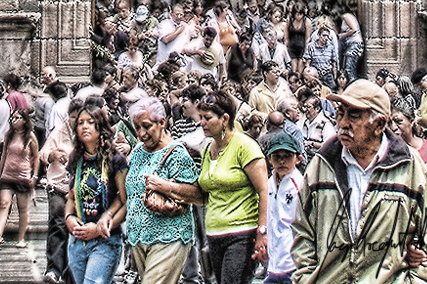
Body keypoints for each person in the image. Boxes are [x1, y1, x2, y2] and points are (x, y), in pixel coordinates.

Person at [292, 79, 427, 283]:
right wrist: (306, 277)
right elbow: (302, 229)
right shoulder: (323, 163)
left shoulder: (408, 166)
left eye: (354, 116)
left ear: (380, 124)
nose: (343, 123)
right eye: (340, 113)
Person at [145, 89, 269, 284]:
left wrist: (262, 232)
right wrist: (169, 188)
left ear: (225, 119)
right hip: (214, 234)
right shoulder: (208, 149)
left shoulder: (245, 146)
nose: (201, 123)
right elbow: (203, 195)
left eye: (207, 118)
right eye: (200, 117)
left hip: (242, 232)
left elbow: (263, 190)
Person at [125, 97, 198, 284]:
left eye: (147, 126)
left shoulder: (177, 153)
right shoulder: (138, 151)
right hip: (139, 238)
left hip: (169, 236)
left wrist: (166, 187)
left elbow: (198, 194)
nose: (141, 133)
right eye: (137, 127)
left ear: (162, 122)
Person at [64, 103, 127, 284]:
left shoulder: (115, 159)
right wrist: (68, 217)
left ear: (100, 126)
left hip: (105, 241)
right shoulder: (75, 158)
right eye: (80, 122)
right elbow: (70, 196)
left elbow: (124, 200)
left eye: (90, 122)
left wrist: (100, 229)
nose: (84, 126)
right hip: (78, 239)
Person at [40, 97, 83, 284]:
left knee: (77, 228)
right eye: (73, 118)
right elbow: (43, 153)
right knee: (58, 224)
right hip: (58, 186)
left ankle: (72, 271)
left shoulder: (88, 133)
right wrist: (53, 155)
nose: (75, 122)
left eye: (79, 118)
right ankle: (54, 269)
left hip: (80, 191)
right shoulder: (60, 131)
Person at [0, 108, 39, 248]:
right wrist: (0, 174)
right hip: (8, 175)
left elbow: (36, 157)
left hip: (22, 177)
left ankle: (21, 238)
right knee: (4, 204)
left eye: (17, 118)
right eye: (12, 118)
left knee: (22, 209)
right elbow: (4, 154)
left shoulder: (30, 136)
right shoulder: (9, 135)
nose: (14, 121)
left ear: (25, 121)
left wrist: (35, 176)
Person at [264, 131, 303, 284]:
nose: (282, 161)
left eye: (287, 156)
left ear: (298, 159)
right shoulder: (269, 184)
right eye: (277, 157)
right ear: (269, 159)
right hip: (274, 259)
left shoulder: (300, 184)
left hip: (293, 260)